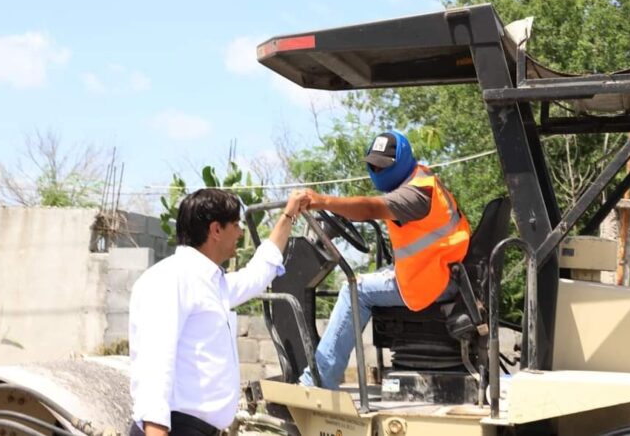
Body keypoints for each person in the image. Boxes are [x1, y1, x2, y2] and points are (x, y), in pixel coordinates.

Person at [298, 130, 472, 389]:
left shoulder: (415, 194)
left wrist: (322, 201)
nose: (377, 170)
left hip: (431, 279)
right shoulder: (421, 178)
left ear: (400, 161)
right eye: (373, 165)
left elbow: (369, 208)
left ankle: (317, 383)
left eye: (383, 165)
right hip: (441, 269)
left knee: (353, 289)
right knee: (368, 280)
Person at [129, 188, 309, 436]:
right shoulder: (170, 279)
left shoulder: (213, 284)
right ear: (215, 230)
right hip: (174, 429)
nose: (240, 232)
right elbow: (155, 367)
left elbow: (258, 272)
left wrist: (289, 215)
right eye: (235, 225)